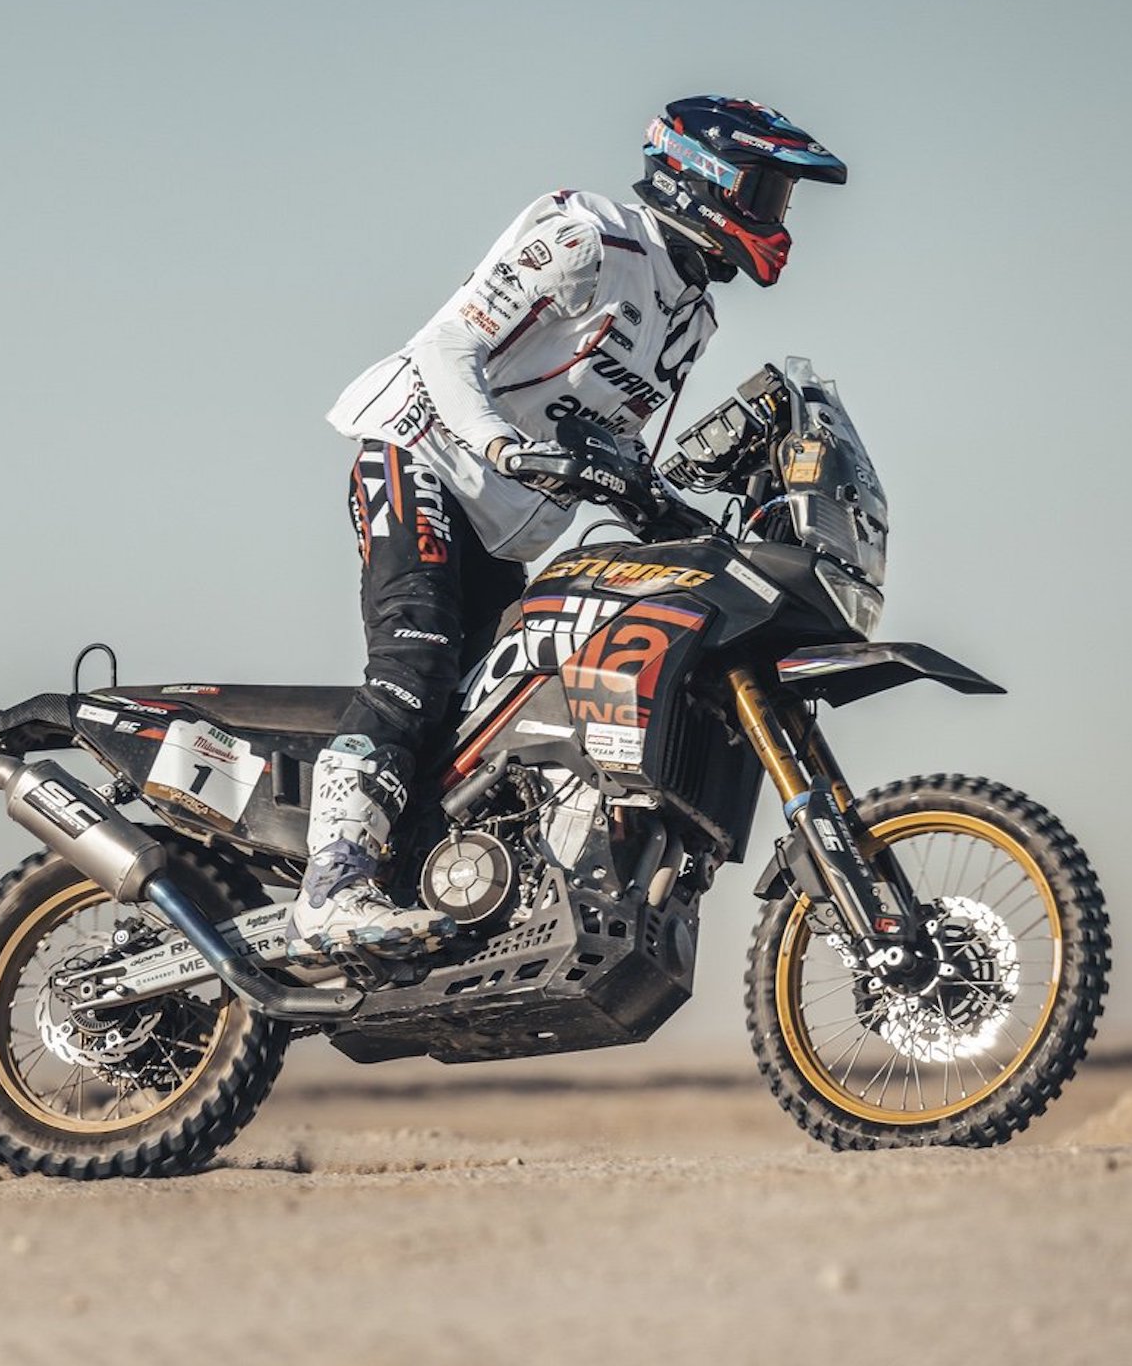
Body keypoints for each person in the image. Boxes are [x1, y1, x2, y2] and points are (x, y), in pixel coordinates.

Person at [289, 96, 849, 958]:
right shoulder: (588, 237)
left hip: (505, 524)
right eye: (767, 194)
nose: (778, 220)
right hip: (424, 453)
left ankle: (425, 880)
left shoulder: (690, 316)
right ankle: (331, 885)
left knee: (485, 721)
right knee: (416, 663)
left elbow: (612, 439)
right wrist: (500, 444)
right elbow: (446, 347)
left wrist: (676, 511)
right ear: (704, 177)